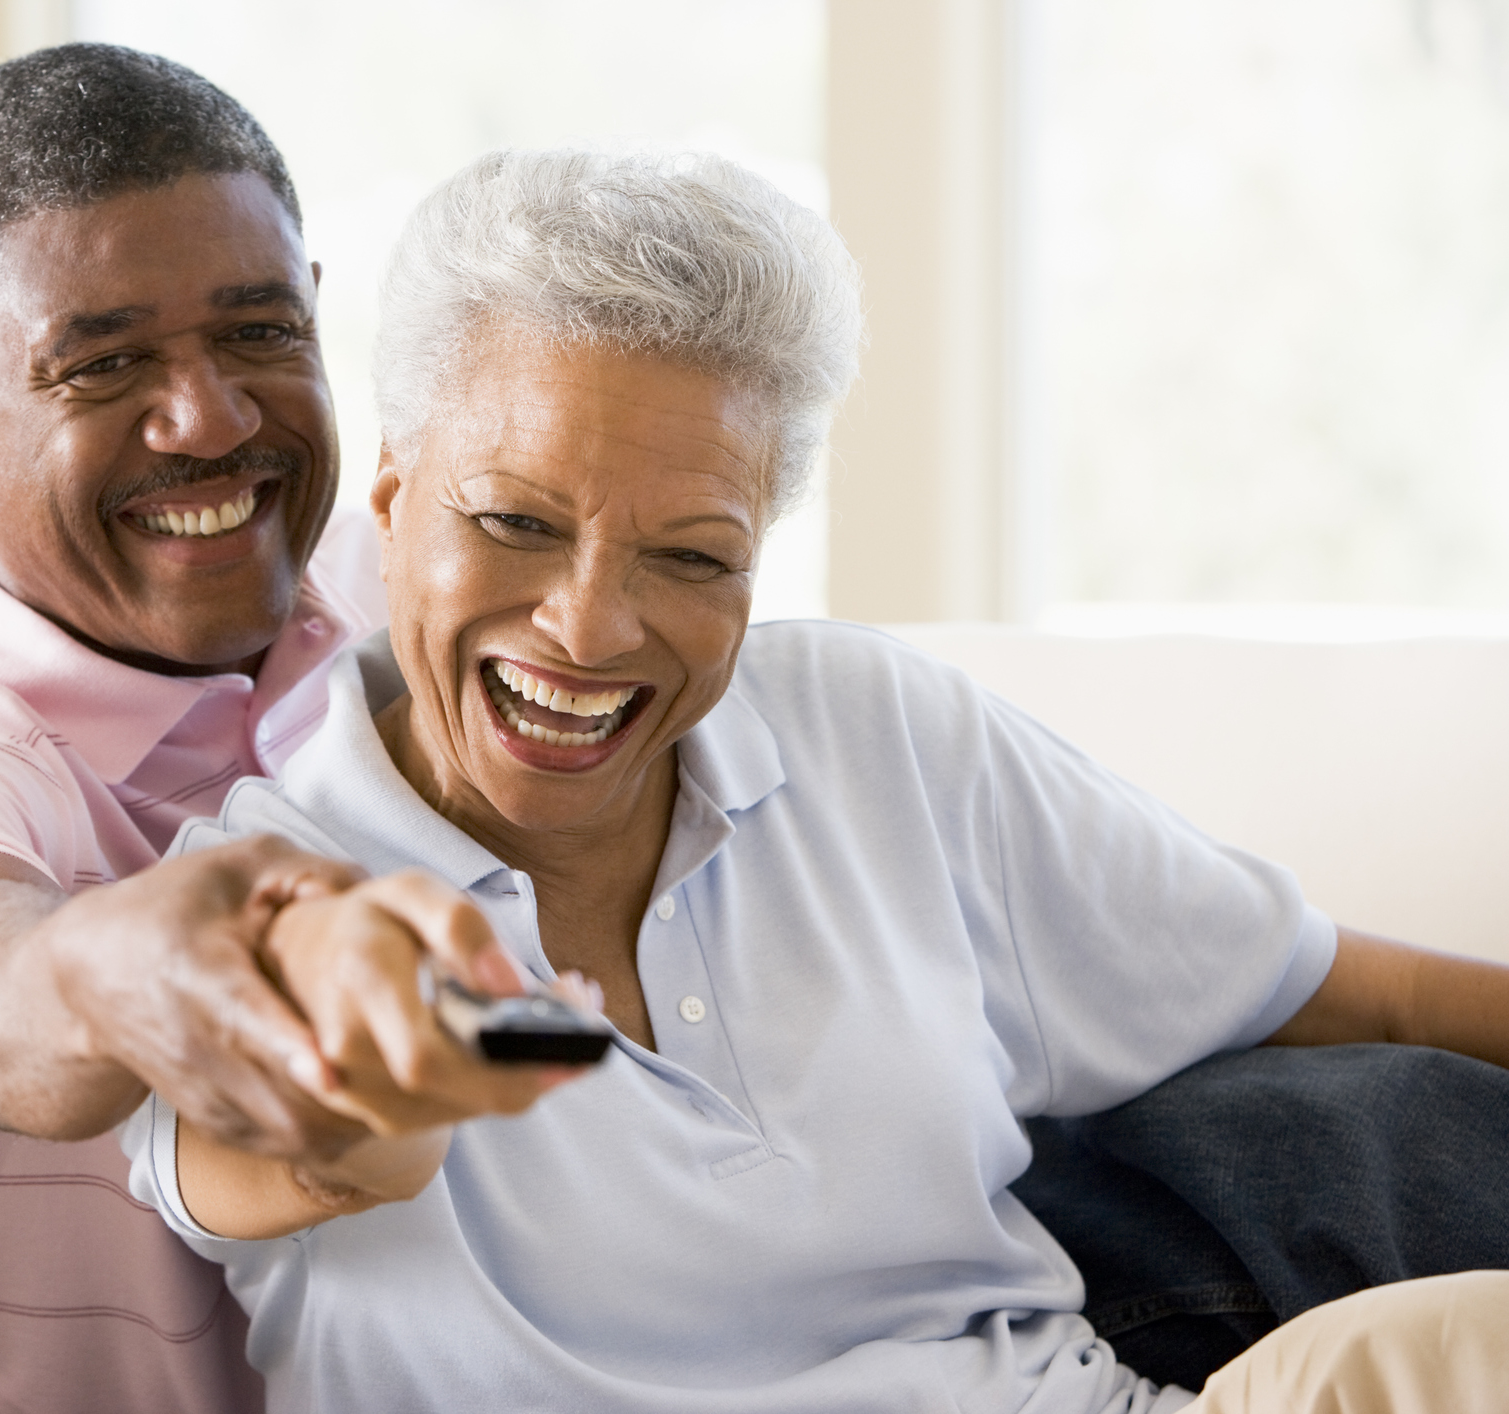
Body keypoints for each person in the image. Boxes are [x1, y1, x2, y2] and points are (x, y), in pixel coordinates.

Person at [123, 147, 1509, 1413]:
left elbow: (1344, 992)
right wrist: (389, 1069)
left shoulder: (867, 727)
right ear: (391, 502)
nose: (593, 626)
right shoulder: (240, 902)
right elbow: (294, 1145)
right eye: (514, 522)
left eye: (691, 556)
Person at [0, 44, 545, 1414]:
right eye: (103, 363)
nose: (212, 419)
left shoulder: (399, 589)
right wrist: (126, 968)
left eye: (258, 332)